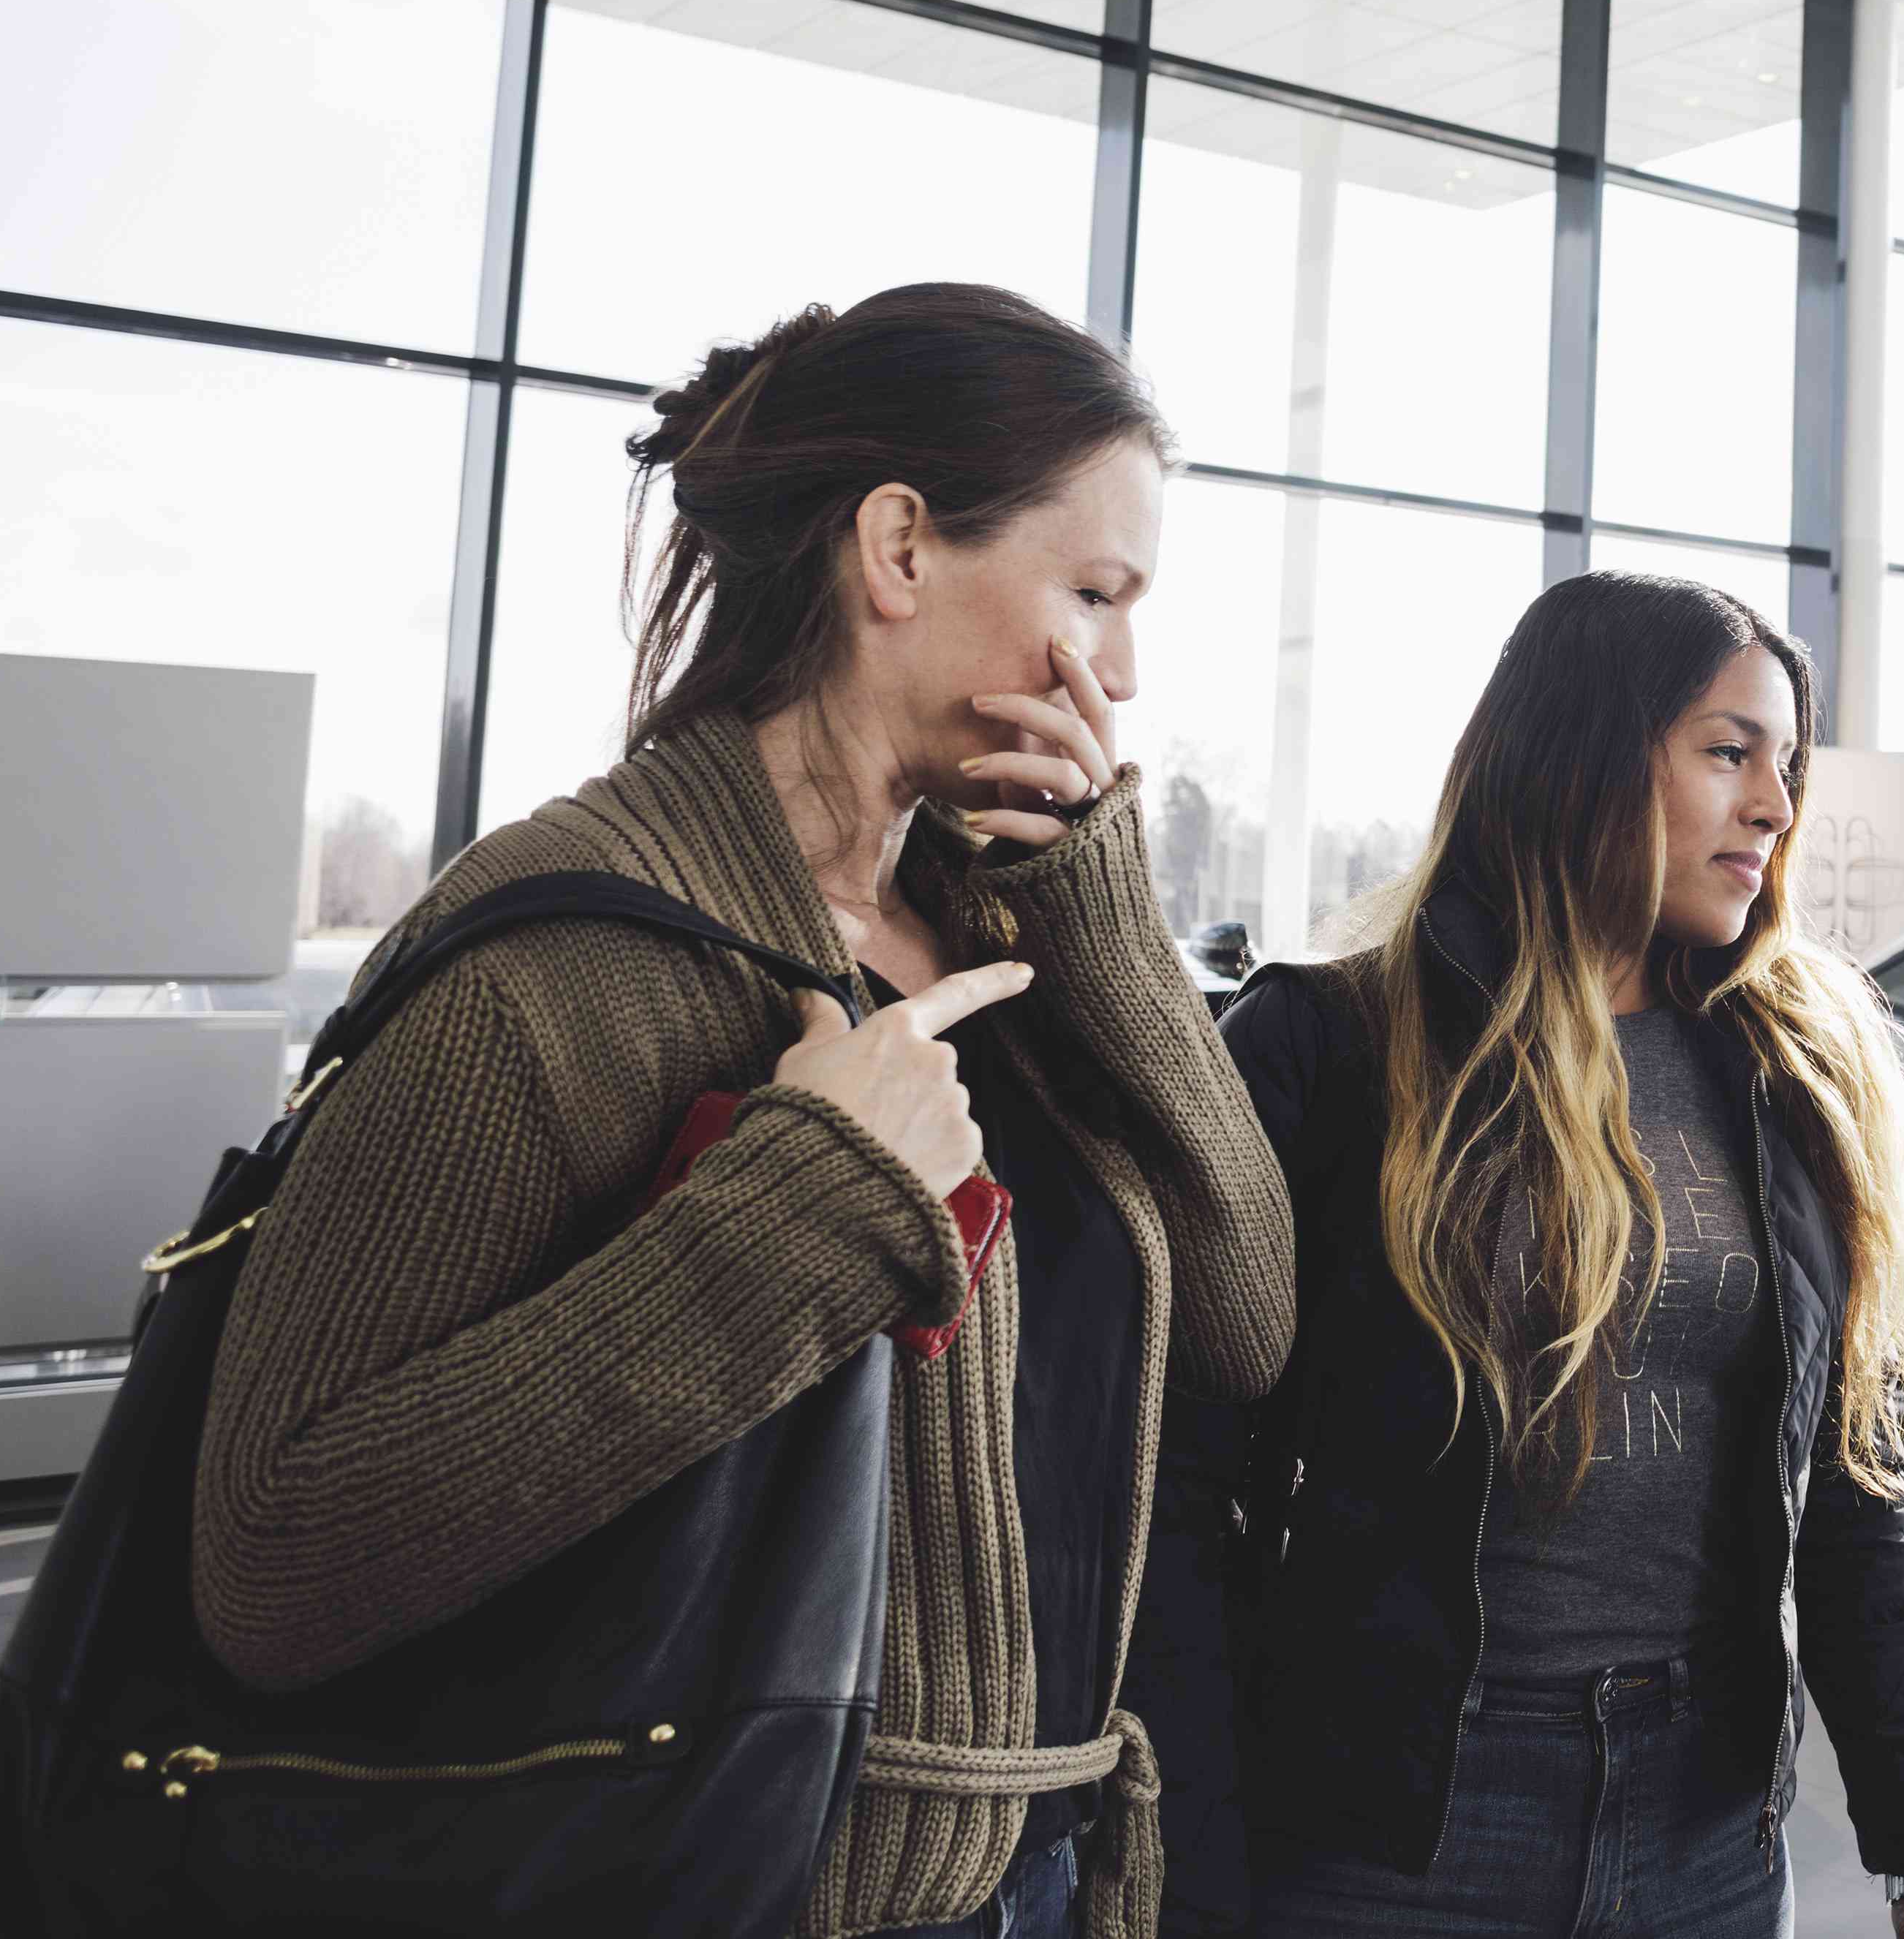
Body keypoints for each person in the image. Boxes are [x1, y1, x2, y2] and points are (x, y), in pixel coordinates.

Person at [190, 281, 1296, 1939]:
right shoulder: (559, 954)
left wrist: (1104, 923)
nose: (1120, 670)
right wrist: (801, 1215)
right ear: (900, 550)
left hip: (1044, 1887)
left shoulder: (1007, 923)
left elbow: (1248, 1323)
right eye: (1094, 590)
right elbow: (273, 1558)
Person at [1133, 572, 1904, 1939]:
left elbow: (1844, 1488)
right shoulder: (1332, 1048)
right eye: (1727, 752)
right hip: (1393, 1819)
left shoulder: (1786, 1073)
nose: (1775, 805)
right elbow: (1181, 1485)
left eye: (1787, 762)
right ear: (1580, 754)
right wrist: (1191, 1855)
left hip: (1705, 1821)